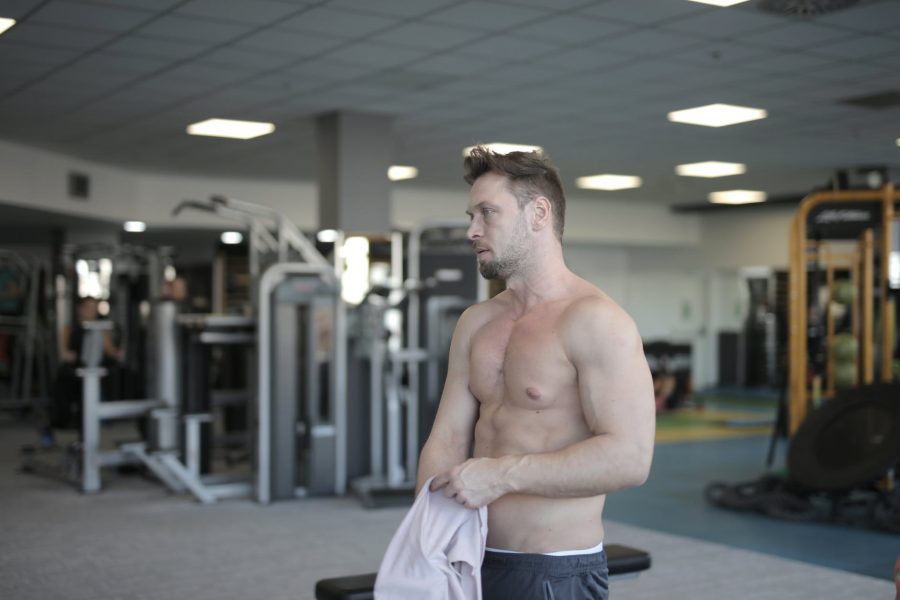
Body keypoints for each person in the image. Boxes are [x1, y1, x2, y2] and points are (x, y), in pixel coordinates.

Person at [416, 146, 656, 599]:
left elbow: (630, 458)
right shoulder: (476, 322)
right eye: (472, 215)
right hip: (465, 558)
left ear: (539, 213)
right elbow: (446, 438)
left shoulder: (596, 320)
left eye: (487, 213)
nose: (472, 230)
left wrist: (501, 475)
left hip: (552, 570)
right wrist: (425, 537)